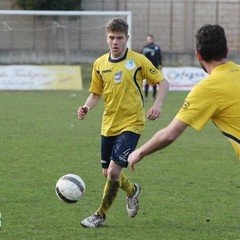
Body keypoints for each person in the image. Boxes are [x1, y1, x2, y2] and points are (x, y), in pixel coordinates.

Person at [77, 17, 169, 228]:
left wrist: (158, 105)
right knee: (107, 173)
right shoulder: (100, 64)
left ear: (127, 38)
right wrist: (86, 107)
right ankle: (132, 191)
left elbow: (163, 83)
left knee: (114, 172)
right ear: (106, 38)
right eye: (111, 37)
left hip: (132, 123)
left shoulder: (138, 61)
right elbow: (95, 94)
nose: (115, 42)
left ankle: (100, 215)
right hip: (109, 124)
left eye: (119, 38)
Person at [128, 24, 240, 172]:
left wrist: (139, 152)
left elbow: (170, 134)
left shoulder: (206, 89)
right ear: (226, 51)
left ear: (198, 55)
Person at [141, 34, 162, 100]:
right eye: (148, 39)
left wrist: (160, 65)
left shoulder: (156, 47)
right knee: (147, 83)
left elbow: (159, 57)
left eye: (150, 39)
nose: (149, 40)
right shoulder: (145, 48)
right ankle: (146, 96)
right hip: (147, 68)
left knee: (155, 83)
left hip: (155, 67)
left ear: (152, 39)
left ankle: (154, 96)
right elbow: (141, 58)